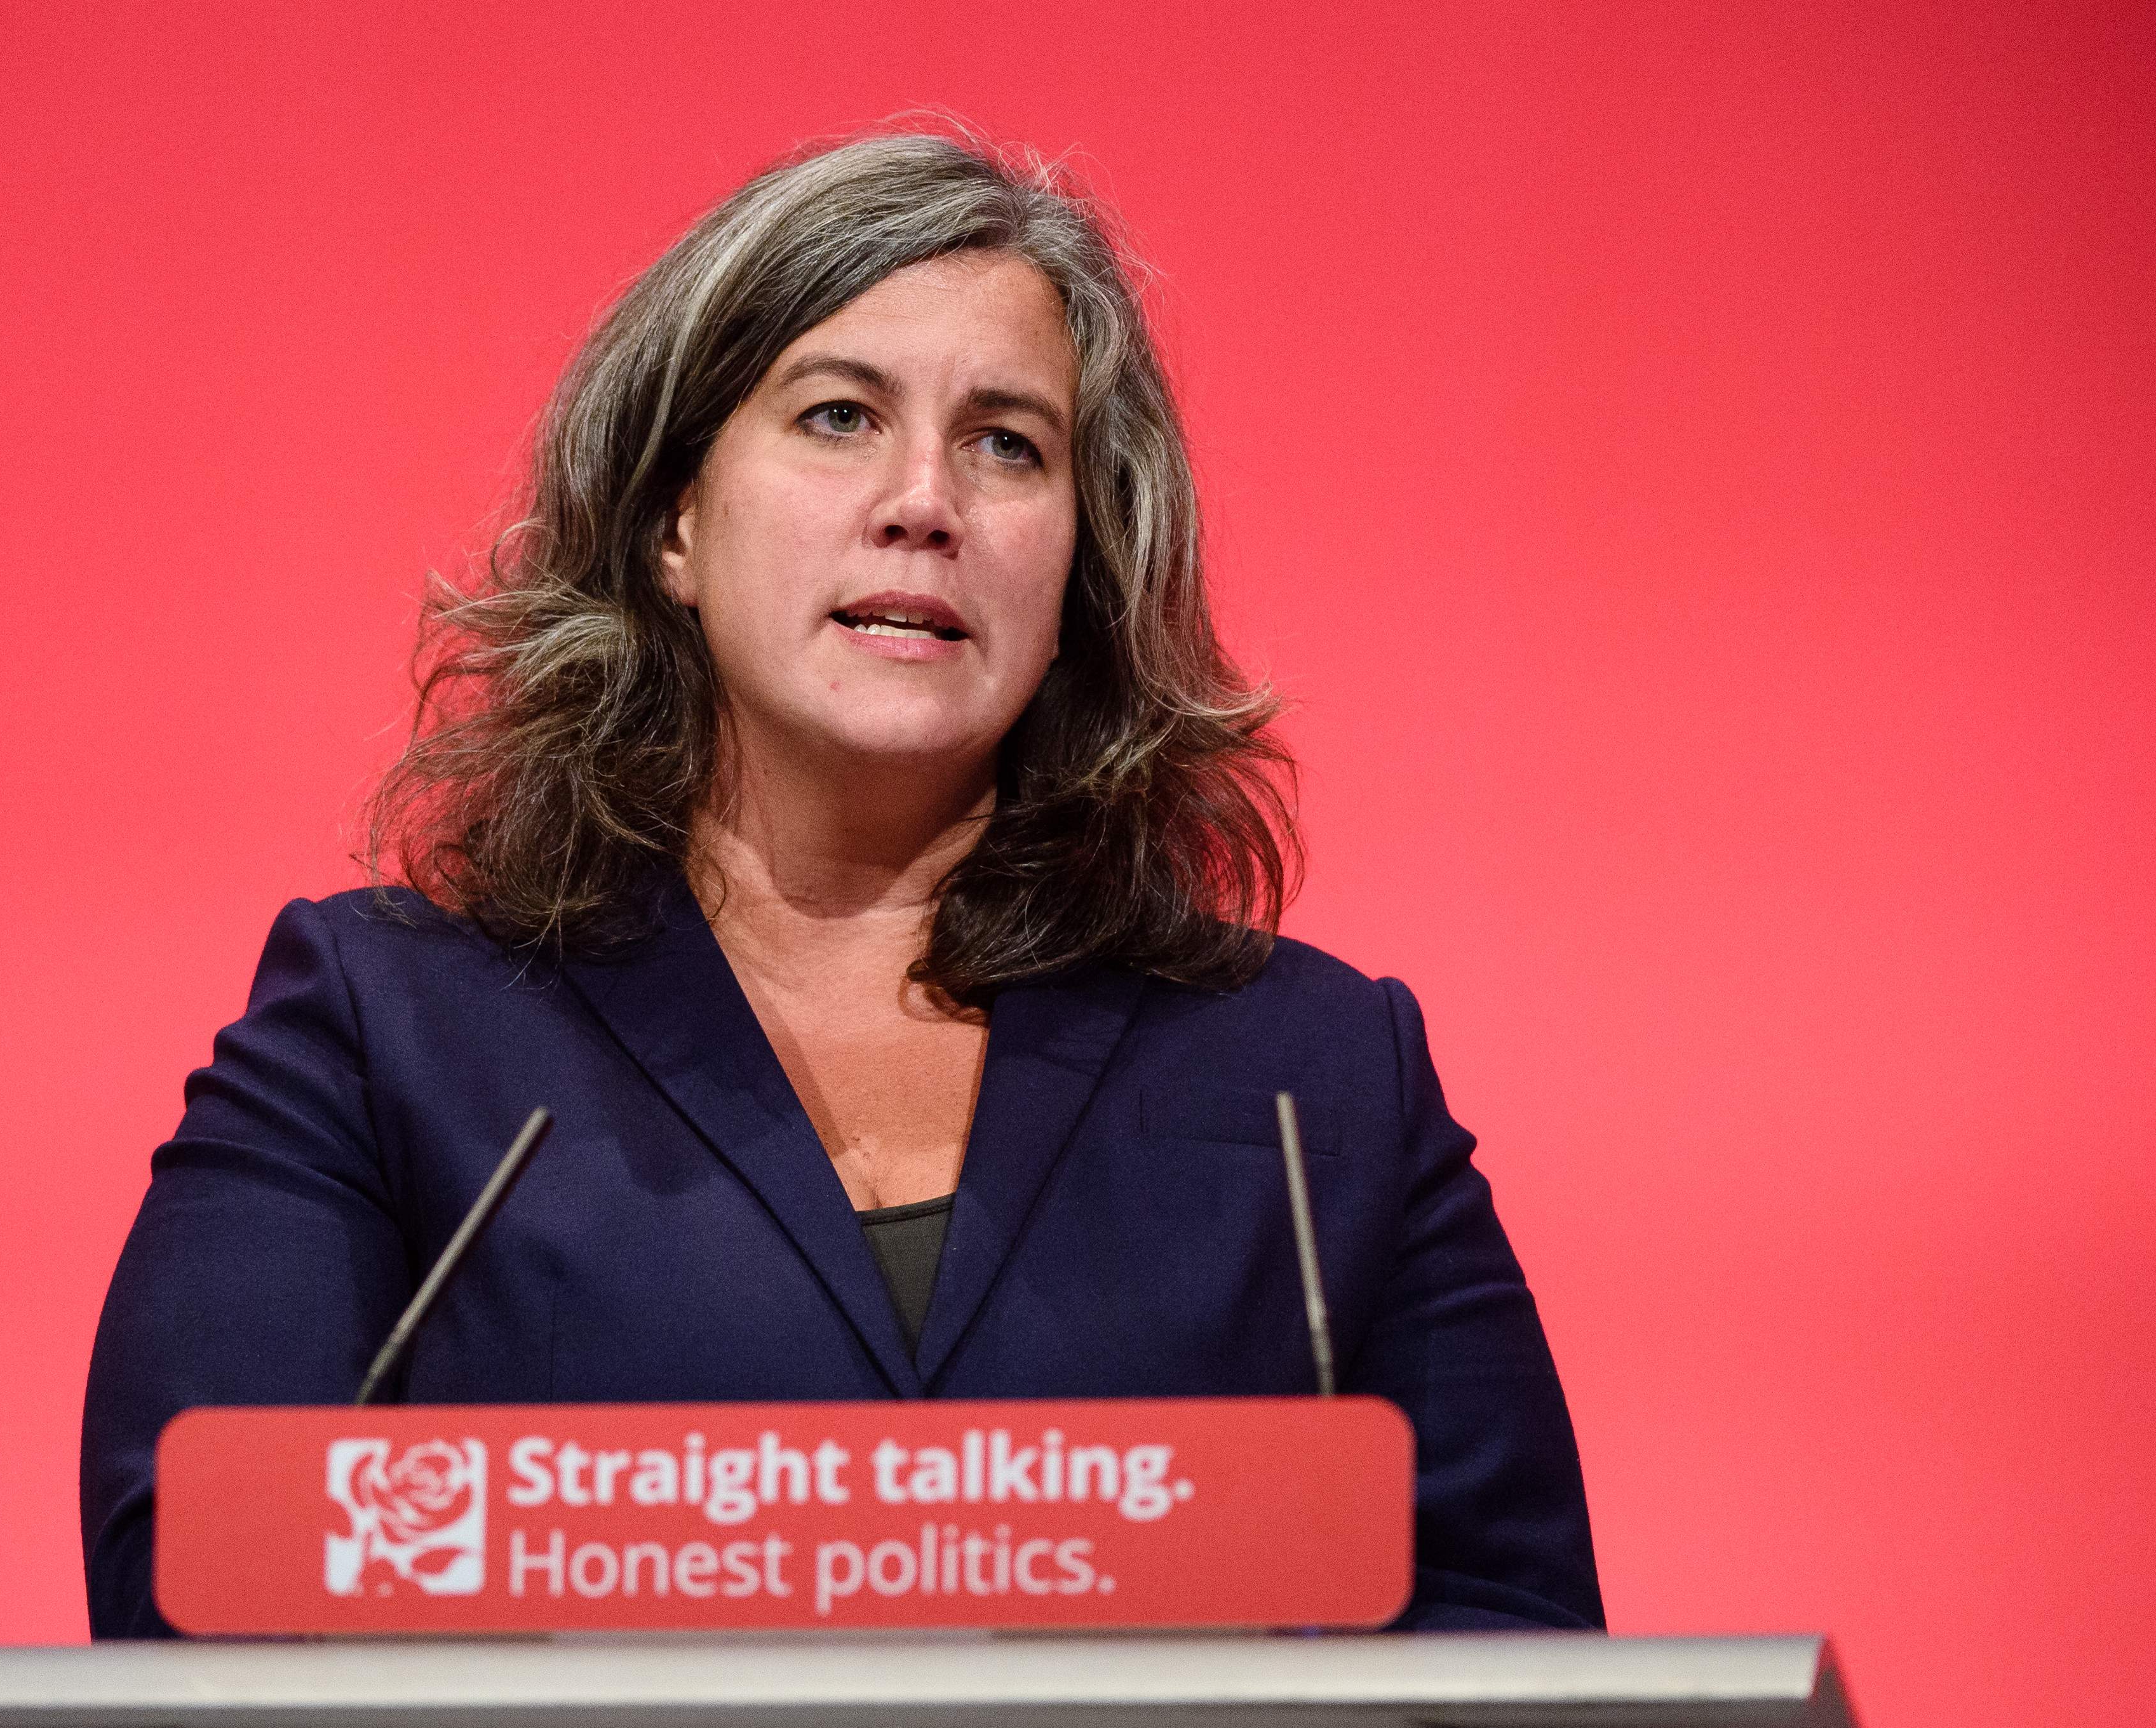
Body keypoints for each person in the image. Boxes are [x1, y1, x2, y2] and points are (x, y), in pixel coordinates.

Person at [81, 127, 1601, 1638]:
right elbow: (203, 1585)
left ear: (1078, 569)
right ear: (673, 520)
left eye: (1010, 443)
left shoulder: (1313, 1086)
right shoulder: (387, 1034)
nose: (924, 499)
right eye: (836, 416)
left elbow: (1516, 1653)